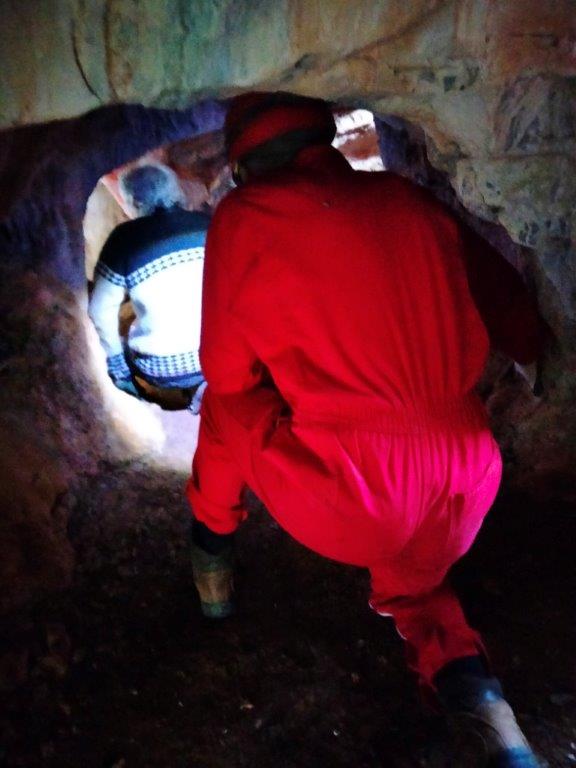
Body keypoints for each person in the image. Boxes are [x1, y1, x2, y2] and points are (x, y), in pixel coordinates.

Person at [186, 92, 545, 767]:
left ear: (242, 168)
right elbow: (518, 320)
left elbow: (227, 374)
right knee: (417, 587)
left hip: (354, 496)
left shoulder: (245, 216)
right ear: (324, 139)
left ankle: (209, 552)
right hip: (467, 480)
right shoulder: (410, 200)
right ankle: (483, 706)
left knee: (226, 408)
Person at [88, 163, 209, 412]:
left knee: (124, 316)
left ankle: (152, 396)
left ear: (132, 201)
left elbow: (99, 310)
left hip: (159, 371)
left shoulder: (124, 237)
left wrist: (119, 372)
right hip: (214, 359)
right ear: (176, 190)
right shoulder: (207, 224)